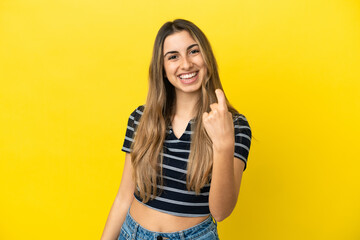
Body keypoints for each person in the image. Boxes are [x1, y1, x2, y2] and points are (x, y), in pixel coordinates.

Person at [101, 19, 252, 240]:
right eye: (173, 56)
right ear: (162, 69)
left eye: (193, 51)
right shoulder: (141, 119)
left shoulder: (234, 125)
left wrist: (223, 144)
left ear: (207, 58)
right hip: (131, 234)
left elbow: (221, 212)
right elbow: (124, 197)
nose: (186, 64)